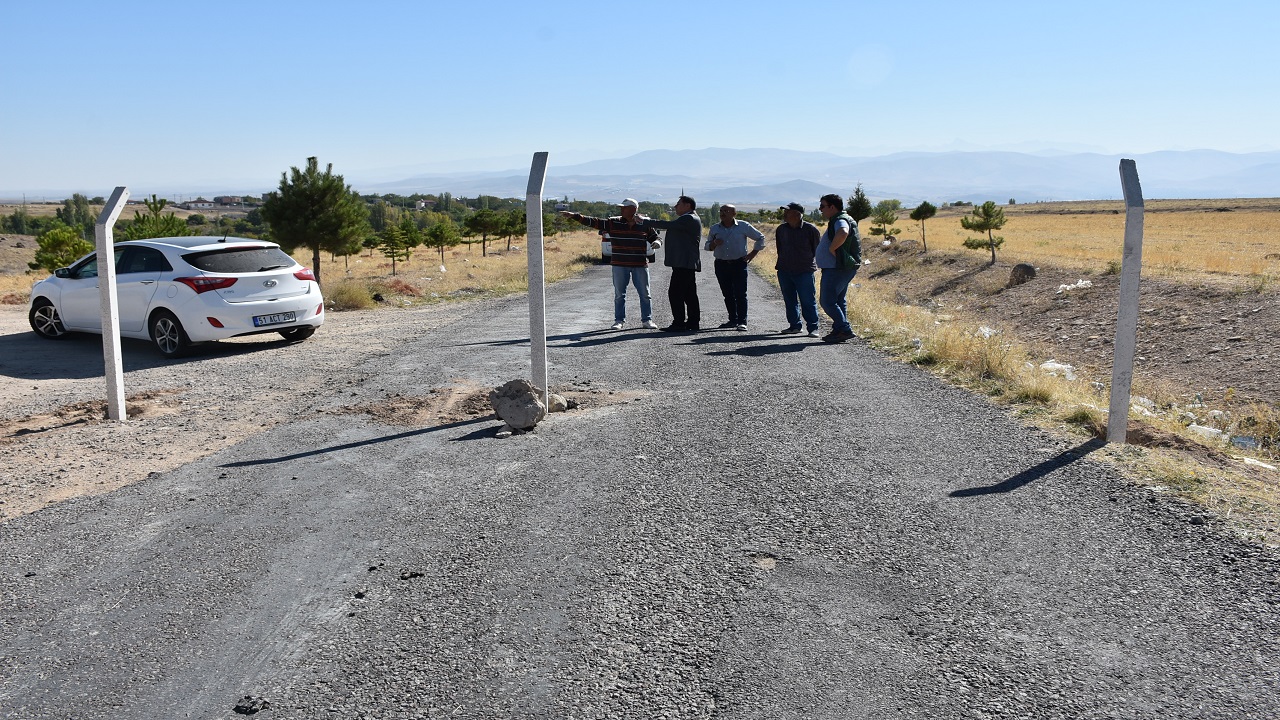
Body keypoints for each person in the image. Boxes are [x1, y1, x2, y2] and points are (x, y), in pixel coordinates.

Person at [561, 199, 661, 330]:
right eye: (621, 208)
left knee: (645, 294)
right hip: (620, 264)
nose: (621, 210)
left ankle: (647, 320)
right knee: (619, 295)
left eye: (624, 208)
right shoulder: (613, 223)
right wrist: (575, 216)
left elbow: (656, 237)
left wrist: (657, 243)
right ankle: (619, 321)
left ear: (633, 209)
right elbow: (594, 221)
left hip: (640, 264)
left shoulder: (644, 224)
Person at [638, 195, 703, 332]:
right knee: (689, 294)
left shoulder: (689, 218)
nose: (675, 206)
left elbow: (668, 225)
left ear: (687, 205)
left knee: (675, 293)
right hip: (686, 263)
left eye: (678, 204)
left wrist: (646, 221)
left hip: (684, 263)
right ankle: (692, 322)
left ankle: (679, 323)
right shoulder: (690, 218)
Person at [704, 203, 766, 331]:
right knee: (727, 294)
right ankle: (733, 320)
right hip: (721, 264)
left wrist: (753, 254)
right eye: (721, 211)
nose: (723, 213)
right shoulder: (715, 228)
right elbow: (707, 246)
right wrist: (714, 243)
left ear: (734, 214)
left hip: (739, 264)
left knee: (740, 293)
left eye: (726, 211)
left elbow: (760, 238)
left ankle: (742, 322)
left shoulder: (743, 226)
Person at [815, 193, 861, 343]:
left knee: (827, 301)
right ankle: (839, 330)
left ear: (832, 207)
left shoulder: (840, 220)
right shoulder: (840, 218)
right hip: (840, 267)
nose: (820, 209)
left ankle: (844, 329)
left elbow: (843, 232)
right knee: (839, 300)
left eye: (822, 206)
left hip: (837, 268)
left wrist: (832, 249)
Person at [773, 201, 822, 338]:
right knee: (789, 300)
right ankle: (794, 326)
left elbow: (817, 250)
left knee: (807, 300)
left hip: (804, 271)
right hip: (784, 270)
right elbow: (779, 248)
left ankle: (813, 328)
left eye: (787, 212)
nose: (784, 214)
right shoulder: (781, 229)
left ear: (797, 214)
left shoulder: (810, 229)